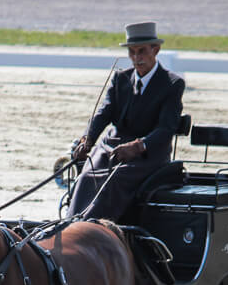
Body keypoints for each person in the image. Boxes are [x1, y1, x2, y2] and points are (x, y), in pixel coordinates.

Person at [67, 21, 185, 220]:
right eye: (132, 52)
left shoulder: (172, 83)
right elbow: (103, 113)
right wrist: (88, 139)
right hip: (112, 146)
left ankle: (93, 226)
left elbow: (166, 129)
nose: (137, 58)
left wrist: (137, 146)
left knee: (115, 180)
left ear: (155, 50)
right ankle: (72, 222)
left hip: (148, 154)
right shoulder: (120, 78)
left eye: (142, 51)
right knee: (87, 176)